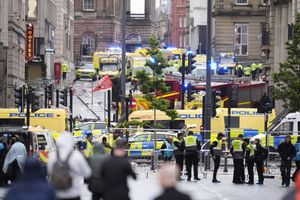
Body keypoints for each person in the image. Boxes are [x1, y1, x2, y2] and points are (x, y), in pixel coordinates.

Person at [48, 133, 91, 200]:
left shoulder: (52, 156)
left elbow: (50, 172)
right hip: (73, 194)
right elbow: (87, 173)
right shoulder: (76, 156)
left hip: (57, 194)